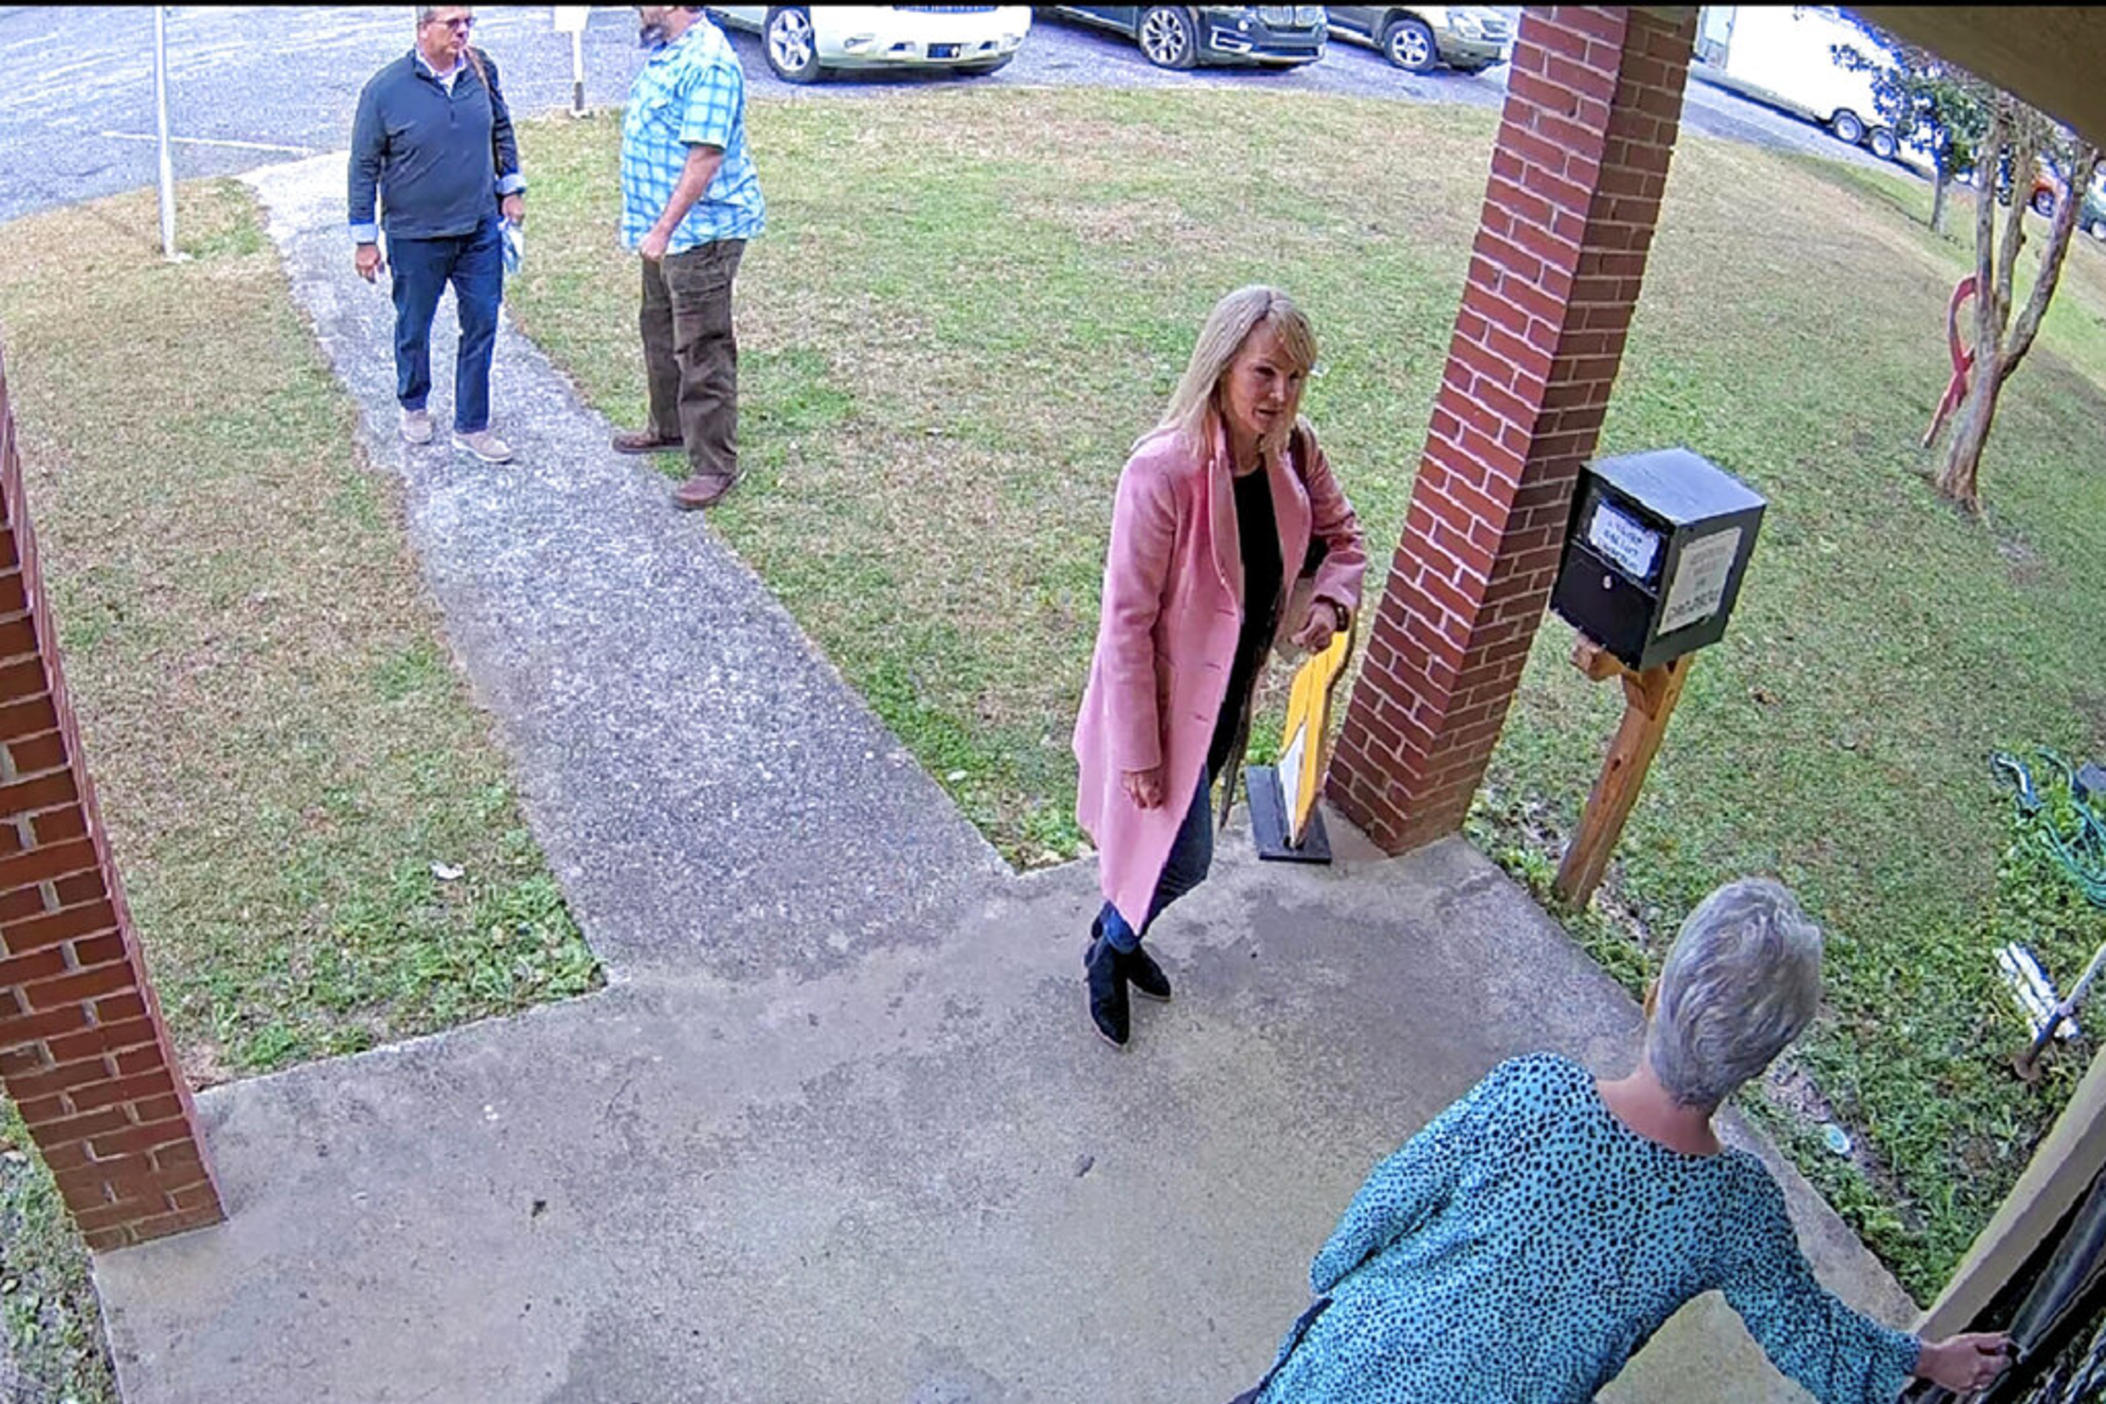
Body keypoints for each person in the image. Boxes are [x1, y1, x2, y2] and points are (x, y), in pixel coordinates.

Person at [1231, 878, 2014, 1403]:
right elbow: (1814, 1339)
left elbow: (1395, 1193)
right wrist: (1927, 1361)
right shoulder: (1735, 1212)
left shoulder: (1535, 1093)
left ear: (1653, 995)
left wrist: (1335, 1273)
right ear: (1761, 1061)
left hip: (1349, 1362)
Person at [1071, 286, 1367, 1048]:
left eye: (1298, 378)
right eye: (1265, 373)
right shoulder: (1162, 472)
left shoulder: (1295, 453)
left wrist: (1329, 604)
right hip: (1166, 714)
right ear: (1222, 365)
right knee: (1186, 861)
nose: (1281, 395)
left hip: (1228, 703)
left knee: (1167, 851)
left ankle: (1120, 932)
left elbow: (1343, 537)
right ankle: (1110, 947)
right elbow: (1126, 624)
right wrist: (1138, 750)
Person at [349, 4, 524, 464]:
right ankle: (414, 403)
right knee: (414, 325)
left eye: (468, 22)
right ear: (423, 29)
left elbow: (501, 128)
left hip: (479, 228)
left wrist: (511, 188)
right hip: (415, 235)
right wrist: (365, 239)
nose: (463, 30)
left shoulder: (482, 70)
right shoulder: (385, 90)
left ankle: (473, 424)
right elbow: (363, 166)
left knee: (483, 322)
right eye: (452, 23)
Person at [612, 5, 766, 511]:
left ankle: (714, 465)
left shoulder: (710, 62)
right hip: (665, 233)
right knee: (658, 329)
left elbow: (705, 156)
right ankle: (669, 427)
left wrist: (662, 228)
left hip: (701, 233)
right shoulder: (667, 51)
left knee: (702, 345)